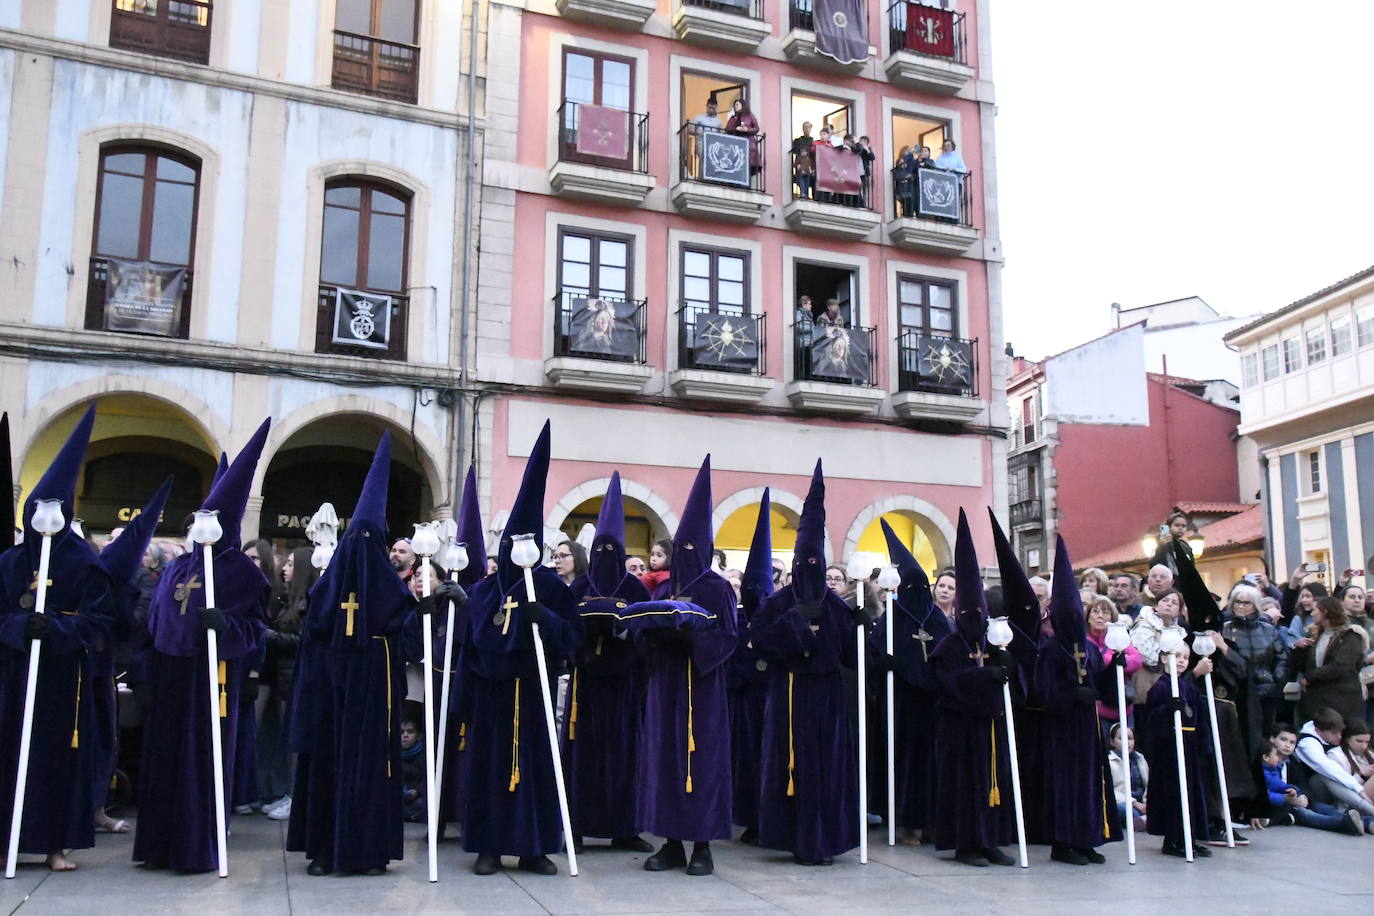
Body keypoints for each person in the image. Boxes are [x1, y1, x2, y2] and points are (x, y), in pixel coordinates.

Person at [134, 420, 272, 873]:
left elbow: (256, 632)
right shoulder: (177, 568)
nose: (202, 526)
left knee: (201, 761)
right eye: (199, 519)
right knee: (165, 760)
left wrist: (225, 626)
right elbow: (157, 616)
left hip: (211, 679)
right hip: (171, 676)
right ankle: (158, 845)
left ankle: (195, 846)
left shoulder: (244, 574)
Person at [459, 423, 581, 876]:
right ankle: (489, 846)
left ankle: (534, 846)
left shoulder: (550, 587)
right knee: (490, 769)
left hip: (535, 691)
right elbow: (475, 643)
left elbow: (573, 641)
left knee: (537, 767)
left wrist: (543, 619)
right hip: (493, 695)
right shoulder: (487, 590)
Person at [287, 432, 412, 876]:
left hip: (374, 694)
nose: (361, 547)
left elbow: (407, 635)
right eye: (355, 537)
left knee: (371, 769)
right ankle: (324, 848)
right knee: (329, 768)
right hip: (333, 695)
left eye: (369, 538)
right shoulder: (327, 589)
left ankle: (368, 849)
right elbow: (313, 636)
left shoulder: (392, 591)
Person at [0, 407, 117, 872]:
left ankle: (55, 844)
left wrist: (60, 629)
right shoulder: (10, 562)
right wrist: (16, 627)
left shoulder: (85, 563)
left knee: (55, 759)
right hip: (14, 672)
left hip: (63, 677)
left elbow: (100, 619)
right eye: (36, 508)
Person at [623, 457, 736, 877]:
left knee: (702, 761)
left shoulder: (718, 589)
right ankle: (670, 842)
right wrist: (650, 633)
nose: (687, 555)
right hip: (666, 685)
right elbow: (644, 631)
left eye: (694, 548)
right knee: (665, 761)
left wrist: (693, 636)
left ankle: (702, 845)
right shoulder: (666, 587)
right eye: (681, 547)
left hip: (703, 690)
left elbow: (728, 637)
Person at [749, 462, 859, 866]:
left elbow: (852, 656)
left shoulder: (836, 605)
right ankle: (791, 835)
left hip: (826, 699)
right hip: (789, 694)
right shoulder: (778, 603)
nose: (809, 571)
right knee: (788, 764)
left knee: (826, 769)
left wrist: (860, 626)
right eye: (803, 563)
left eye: (816, 564)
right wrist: (797, 628)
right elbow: (759, 641)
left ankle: (824, 839)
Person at [561, 472, 652, 853]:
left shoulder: (633, 588)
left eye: (612, 550)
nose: (605, 558)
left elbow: (646, 630)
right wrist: (582, 639)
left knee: (624, 756)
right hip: (586, 684)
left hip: (622, 686)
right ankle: (577, 826)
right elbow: (564, 631)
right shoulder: (579, 588)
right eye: (600, 550)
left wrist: (625, 635)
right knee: (581, 756)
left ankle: (624, 828)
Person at [931, 511, 1019, 867]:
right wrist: (984, 678)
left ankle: (991, 840)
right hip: (960, 730)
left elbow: (1014, 678)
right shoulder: (948, 646)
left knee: (994, 780)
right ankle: (966, 843)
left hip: (990, 725)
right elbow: (948, 682)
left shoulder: (995, 642)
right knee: (966, 785)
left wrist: (1007, 669)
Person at [94, 479, 171, 836]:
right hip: (94, 661)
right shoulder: (95, 575)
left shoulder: (146, 582)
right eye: (110, 538)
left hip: (128, 666)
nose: (114, 545)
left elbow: (137, 621)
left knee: (121, 737)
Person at [1033, 538, 1116, 865]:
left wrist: (1114, 671)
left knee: (1090, 781)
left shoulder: (1092, 648)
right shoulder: (1052, 650)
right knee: (1066, 784)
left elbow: (1102, 684)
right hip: (1062, 730)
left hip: (1089, 728)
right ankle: (1063, 842)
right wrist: (1071, 695)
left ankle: (1088, 839)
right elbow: (1044, 690)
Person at [873, 518, 952, 846]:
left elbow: (949, 655)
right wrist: (886, 665)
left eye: (923, 587)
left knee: (933, 765)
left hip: (931, 705)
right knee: (902, 762)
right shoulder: (890, 618)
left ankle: (933, 821)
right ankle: (905, 822)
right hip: (901, 705)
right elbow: (873, 656)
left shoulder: (938, 620)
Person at [729, 488, 776, 846]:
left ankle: (771, 818)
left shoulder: (780, 619)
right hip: (745, 703)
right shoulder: (738, 619)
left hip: (774, 701)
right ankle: (749, 818)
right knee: (746, 761)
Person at [1142, 643, 1213, 858]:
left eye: (1185, 657)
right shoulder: (1161, 687)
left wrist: (1204, 743)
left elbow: (1199, 717)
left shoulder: (1188, 687)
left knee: (1192, 795)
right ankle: (1173, 839)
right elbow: (1152, 720)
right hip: (1169, 749)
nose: (1181, 660)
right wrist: (1167, 711)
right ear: (1164, 659)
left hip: (1189, 746)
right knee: (1173, 795)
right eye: (1176, 656)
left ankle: (1190, 837)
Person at [262, 545, 315, 823]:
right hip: (283, 679)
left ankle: (296, 796)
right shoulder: (289, 601)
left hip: (293, 679)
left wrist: (267, 635)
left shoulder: (306, 604)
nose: (284, 568)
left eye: (292, 564)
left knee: (295, 742)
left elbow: (300, 643)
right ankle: (287, 793)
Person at [1222, 583, 1290, 747]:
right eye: (1237, 602)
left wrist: (1276, 682)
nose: (1240, 606)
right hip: (1237, 693)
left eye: (1246, 603)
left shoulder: (1269, 630)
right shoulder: (1224, 630)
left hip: (1266, 692)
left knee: (1263, 739)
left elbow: (1282, 659)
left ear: (1255, 606)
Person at [1256, 735, 1362, 834]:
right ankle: (1342, 823)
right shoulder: (1265, 771)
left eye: (1292, 742)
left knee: (1321, 807)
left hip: (1293, 799)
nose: (1287, 745)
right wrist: (1285, 798)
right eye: (1283, 739)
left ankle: (1364, 822)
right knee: (1306, 814)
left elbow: (1284, 785)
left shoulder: (1291, 763)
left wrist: (1295, 791)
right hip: (1281, 804)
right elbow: (1268, 792)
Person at [1292, 596, 1368, 727]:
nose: (1312, 613)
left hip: (1342, 700)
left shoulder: (1350, 636)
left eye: (1315, 610)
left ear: (1325, 612)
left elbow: (1340, 666)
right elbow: (1302, 666)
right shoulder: (1314, 635)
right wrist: (1298, 649)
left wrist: (1310, 677)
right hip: (1317, 700)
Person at [1290, 707, 1374, 818]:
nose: (1339, 736)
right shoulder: (1308, 744)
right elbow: (1327, 767)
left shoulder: (1366, 753)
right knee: (1325, 776)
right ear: (1318, 731)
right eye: (1334, 733)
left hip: (1342, 793)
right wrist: (1359, 787)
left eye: (1341, 732)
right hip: (1311, 792)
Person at [1086, 595, 1141, 733]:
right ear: (1088, 617)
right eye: (1096, 611)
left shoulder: (1119, 637)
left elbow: (1136, 660)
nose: (1100, 616)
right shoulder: (1084, 640)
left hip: (1123, 706)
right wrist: (1111, 659)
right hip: (1097, 708)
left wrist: (1120, 662)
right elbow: (1092, 663)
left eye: (1105, 612)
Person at [1108, 724, 1148, 831]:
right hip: (1122, 801)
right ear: (1112, 742)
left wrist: (1146, 802)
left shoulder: (1140, 759)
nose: (1127, 742)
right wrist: (1134, 803)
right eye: (1121, 738)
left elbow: (1148, 784)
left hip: (1141, 802)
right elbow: (1109, 791)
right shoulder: (1109, 762)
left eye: (1130, 738)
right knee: (1126, 810)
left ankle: (1144, 819)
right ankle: (1143, 820)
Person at [1328, 719, 1374, 809]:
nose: (1364, 746)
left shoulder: (1369, 753)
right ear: (1347, 738)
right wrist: (1362, 775)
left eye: (1367, 742)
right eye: (1359, 741)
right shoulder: (1335, 755)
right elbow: (1339, 789)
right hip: (1349, 803)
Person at [724, 98, 761, 175]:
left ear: (742, 105)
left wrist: (746, 129)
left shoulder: (749, 116)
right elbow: (727, 129)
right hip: (735, 144)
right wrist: (735, 128)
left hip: (748, 144)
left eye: (737, 104)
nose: (735, 106)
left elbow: (756, 128)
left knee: (746, 164)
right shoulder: (733, 118)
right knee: (736, 164)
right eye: (734, 105)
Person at [399, 719, 426, 824]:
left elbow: (428, 779)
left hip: (417, 797)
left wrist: (417, 791)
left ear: (418, 736)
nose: (405, 735)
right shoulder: (392, 754)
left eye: (410, 732)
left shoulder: (425, 754)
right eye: (401, 732)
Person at [791, 121, 816, 198]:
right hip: (801, 165)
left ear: (811, 129)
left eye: (808, 127)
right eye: (805, 127)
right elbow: (794, 151)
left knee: (811, 181)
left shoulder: (813, 142)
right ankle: (803, 194)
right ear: (802, 129)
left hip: (809, 165)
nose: (807, 129)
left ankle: (812, 196)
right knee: (802, 180)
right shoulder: (798, 141)